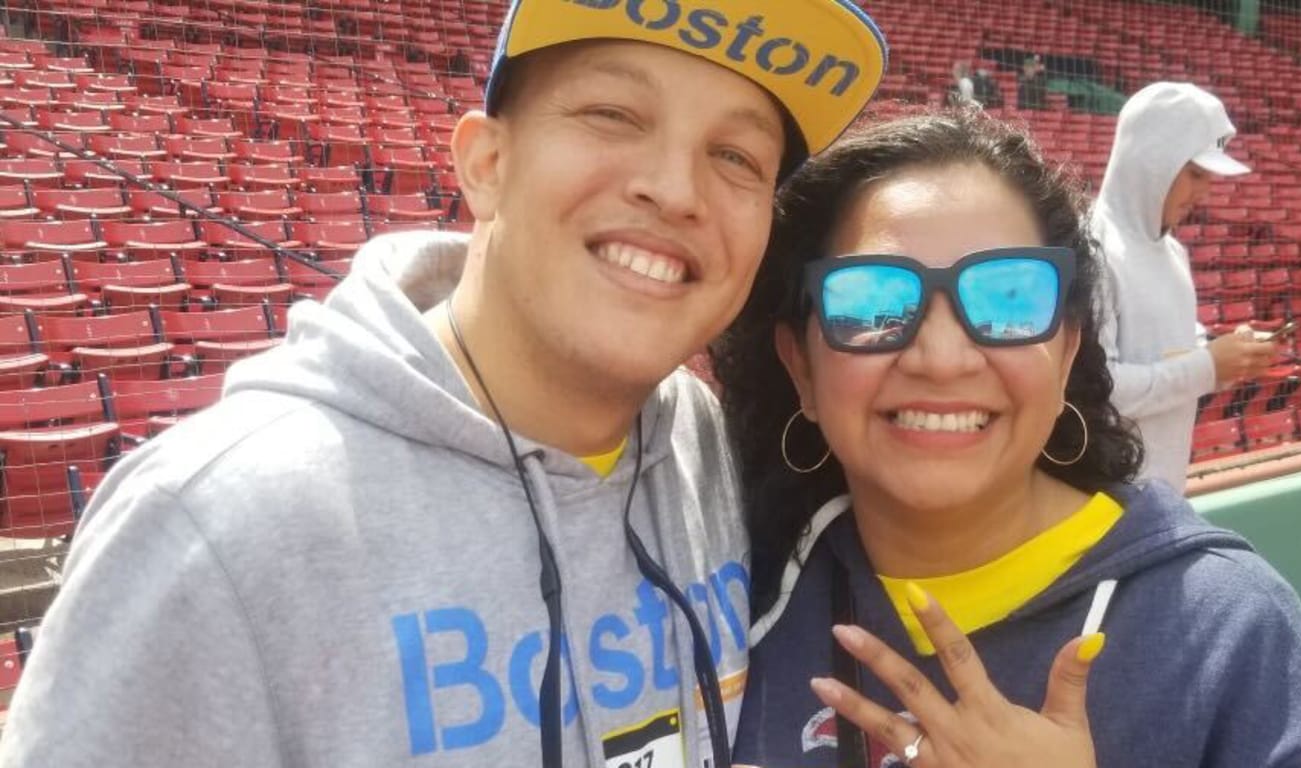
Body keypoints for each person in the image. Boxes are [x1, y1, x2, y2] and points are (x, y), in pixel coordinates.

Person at [0, 1, 886, 766]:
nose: (674, 188)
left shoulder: (705, 442)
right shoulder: (214, 526)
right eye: (613, 113)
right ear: (485, 164)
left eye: (737, 156)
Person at [713, 110, 1301, 767]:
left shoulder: (1229, 633)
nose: (942, 358)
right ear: (801, 365)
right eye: (874, 302)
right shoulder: (735, 590)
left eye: (1008, 299)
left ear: (1066, 355)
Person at [1092, 82, 1277, 493]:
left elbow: (1174, 352)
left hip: (1163, 495)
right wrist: (1209, 365)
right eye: (1195, 173)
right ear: (1151, 161)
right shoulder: (1093, 249)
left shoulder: (1174, 253)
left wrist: (1232, 358)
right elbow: (1097, 390)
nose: (1204, 191)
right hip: (1102, 503)